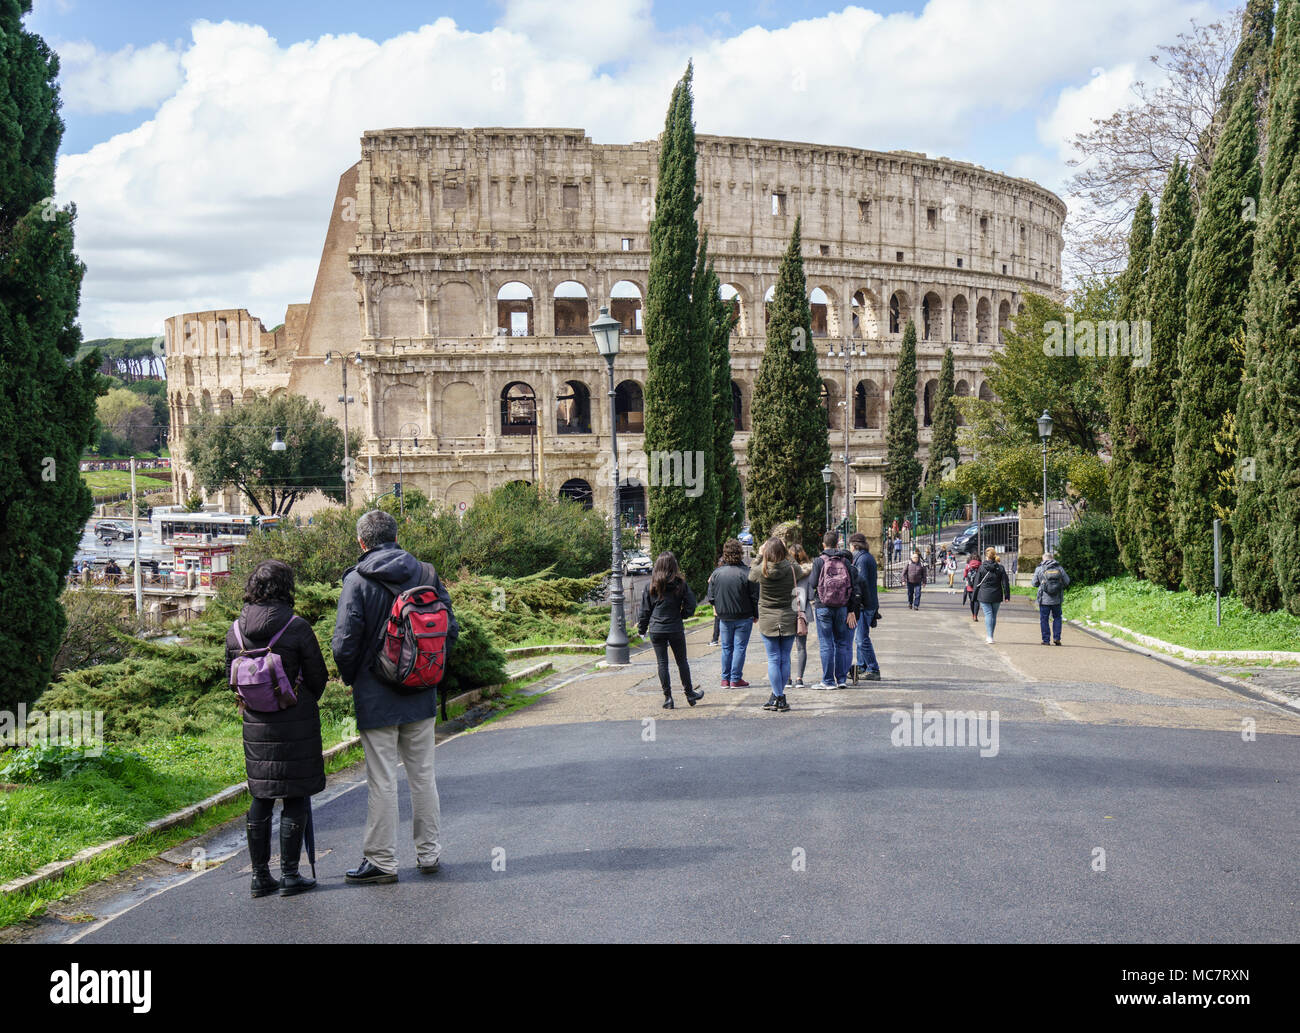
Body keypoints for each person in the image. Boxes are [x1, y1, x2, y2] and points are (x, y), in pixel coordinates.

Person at [331, 509, 459, 885]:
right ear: (396, 535)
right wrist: (430, 669)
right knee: (423, 776)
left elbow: (344, 641)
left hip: (375, 695)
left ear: (361, 542)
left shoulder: (356, 580)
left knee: (383, 779)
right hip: (421, 691)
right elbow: (450, 628)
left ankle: (383, 862)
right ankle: (429, 853)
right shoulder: (426, 573)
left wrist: (351, 677)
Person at [225, 560, 329, 899]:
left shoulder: (236, 631)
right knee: (294, 795)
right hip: (295, 722)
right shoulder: (296, 627)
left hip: (255, 725)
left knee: (261, 796)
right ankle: (289, 875)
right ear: (287, 588)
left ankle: (259, 877)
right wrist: (298, 699)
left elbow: (231, 679)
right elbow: (318, 677)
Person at [637, 551, 701, 709]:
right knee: (682, 661)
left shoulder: (651, 585)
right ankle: (689, 693)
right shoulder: (680, 583)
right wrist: (682, 615)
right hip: (674, 626)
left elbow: (645, 610)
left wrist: (642, 629)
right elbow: (691, 605)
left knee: (662, 663)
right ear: (674, 566)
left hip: (657, 628)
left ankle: (668, 698)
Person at [749, 537, 806, 711]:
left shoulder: (762, 570)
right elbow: (801, 570)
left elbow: (750, 574)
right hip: (788, 617)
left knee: (773, 659)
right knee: (785, 657)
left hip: (767, 618)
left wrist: (760, 555)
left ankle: (778, 696)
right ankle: (779, 696)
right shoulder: (791, 568)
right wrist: (787, 554)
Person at [807, 531, 859, 691]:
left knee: (826, 644)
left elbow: (813, 583)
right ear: (838, 544)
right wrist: (851, 609)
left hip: (823, 606)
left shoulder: (819, 561)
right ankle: (842, 679)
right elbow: (853, 586)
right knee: (842, 643)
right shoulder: (845, 561)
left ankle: (828, 681)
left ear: (823, 544)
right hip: (842, 607)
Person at [707, 539, 758, 689]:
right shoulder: (747, 573)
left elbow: (711, 596)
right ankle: (735, 678)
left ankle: (725, 679)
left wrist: (718, 607)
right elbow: (755, 596)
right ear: (740, 553)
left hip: (724, 616)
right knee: (739, 647)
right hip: (744, 615)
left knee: (726, 648)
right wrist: (756, 614)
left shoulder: (717, 573)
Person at [848, 532, 881, 682]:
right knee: (859, 638)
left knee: (861, 638)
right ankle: (862, 666)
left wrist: (857, 603)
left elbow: (862, 584)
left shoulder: (861, 560)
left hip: (864, 605)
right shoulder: (866, 557)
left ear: (854, 546)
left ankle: (873, 668)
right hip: (869, 604)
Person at [974, 546, 1012, 644]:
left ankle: (989, 636)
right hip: (997, 594)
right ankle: (991, 635)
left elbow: (976, 583)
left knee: (988, 615)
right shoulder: (1000, 568)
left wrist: (974, 596)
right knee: (993, 615)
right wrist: (1007, 595)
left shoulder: (982, 567)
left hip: (984, 594)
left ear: (986, 556)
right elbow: (1005, 583)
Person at [1032, 550, 1071, 646]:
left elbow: (1034, 583)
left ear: (1043, 559)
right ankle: (1057, 638)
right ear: (1052, 558)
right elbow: (1067, 581)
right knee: (1057, 617)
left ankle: (1046, 640)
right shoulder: (1059, 568)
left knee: (1044, 619)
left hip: (1044, 599)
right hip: (1057, 599)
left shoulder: (1040, 569)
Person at [791, 544, 814, 689]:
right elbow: (811, 595)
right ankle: (799, 679)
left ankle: (786, 678)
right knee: (801, 647)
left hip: (787, 611)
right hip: (802, 612)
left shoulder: (786, 570)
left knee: (784, 648)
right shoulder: (809, 572)